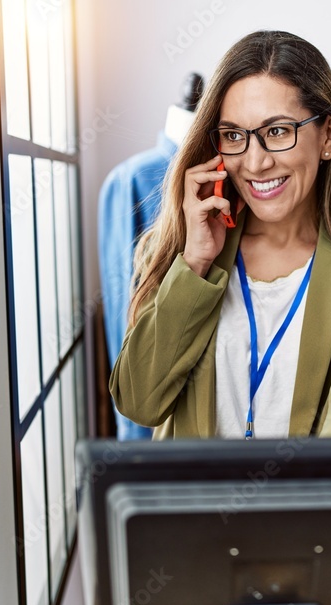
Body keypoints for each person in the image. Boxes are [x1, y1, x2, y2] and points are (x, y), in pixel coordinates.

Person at [109, 30, 331, 440]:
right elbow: (138, 402)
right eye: (235, 136)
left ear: (327, 136)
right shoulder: (185, 254)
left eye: (277, 131)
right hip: (194, 504)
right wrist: (195, 263)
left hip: (302, 502)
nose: (255, 162)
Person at [98, 72, 204, 441]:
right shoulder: (131, 180)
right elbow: (122, 305)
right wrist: (133, 427)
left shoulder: (232, 172)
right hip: (152, 389)